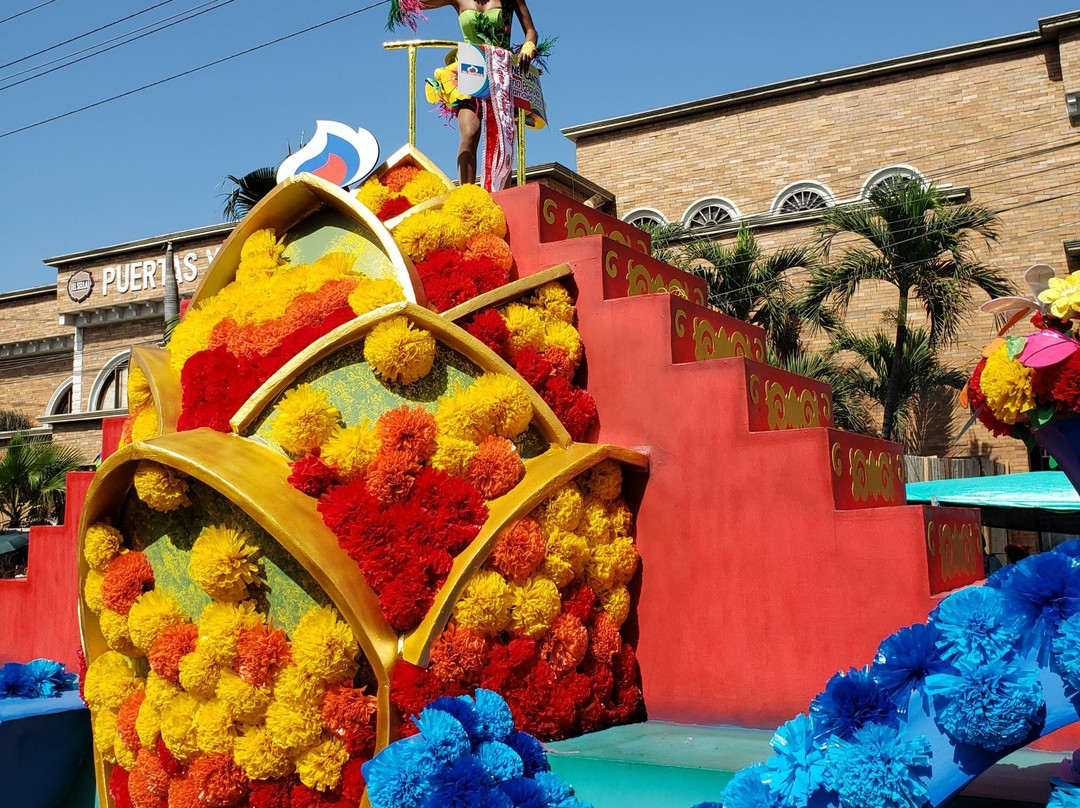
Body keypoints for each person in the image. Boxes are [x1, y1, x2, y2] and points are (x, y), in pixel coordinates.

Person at [420, 0, 538, 185]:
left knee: (501, 141)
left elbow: (531, 31)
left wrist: (528, 47)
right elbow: (419, 3)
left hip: (501, 74)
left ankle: (501, 195)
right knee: (469, 132)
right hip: (469, 70)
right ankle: (467, 193)